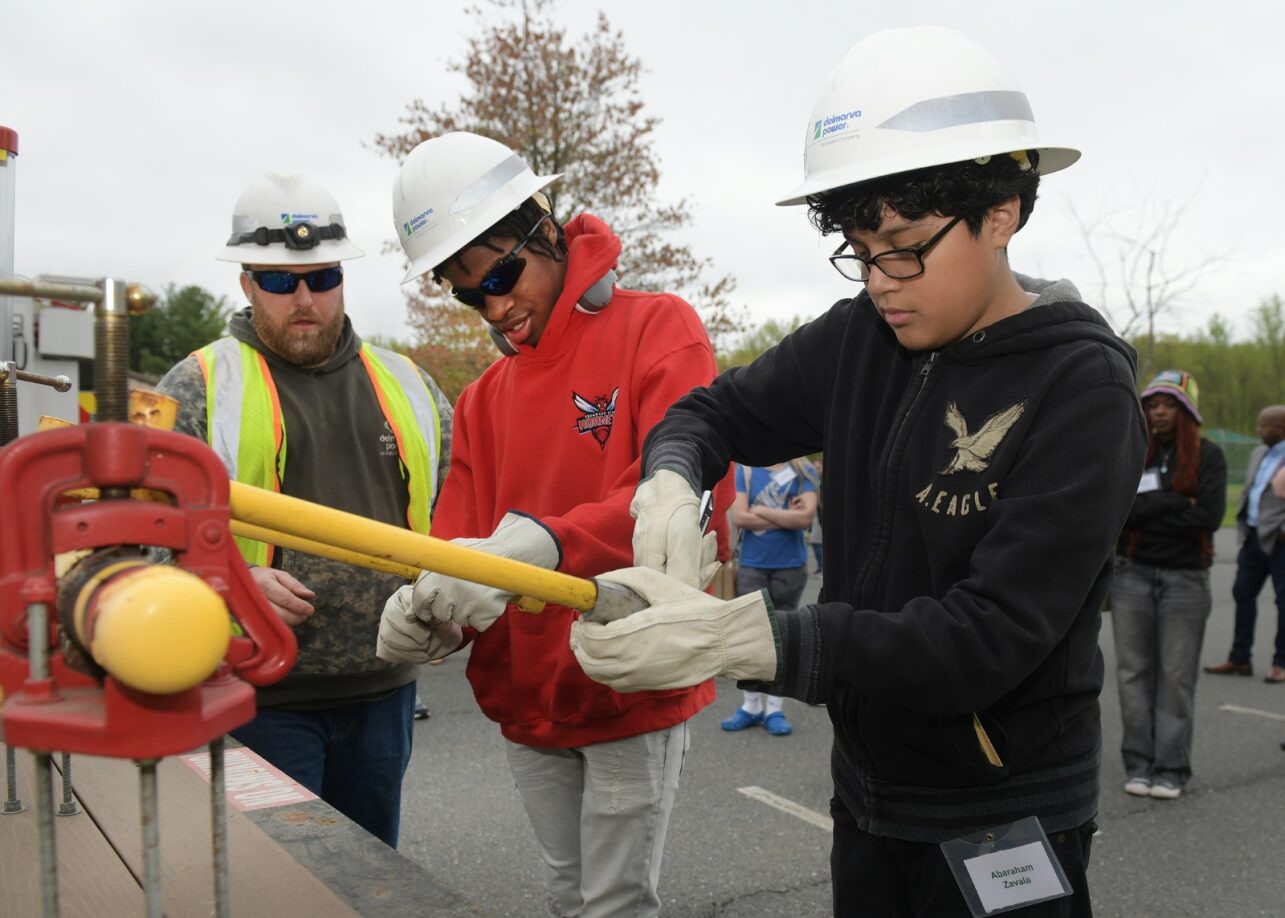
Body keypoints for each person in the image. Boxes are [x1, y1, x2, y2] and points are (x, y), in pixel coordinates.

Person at [569, 26, 1146, 917]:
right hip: (868, 790)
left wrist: (754, 639)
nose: (880, 280)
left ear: (1002, 213)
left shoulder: (1080, 385)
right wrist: (671, 482)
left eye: (906, 246)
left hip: (1002, 807)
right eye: (858, 248)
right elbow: (707, 413)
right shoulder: (858, 339)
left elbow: (989, 637)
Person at [375, 132, 731, 917]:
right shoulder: (479, 402)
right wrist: (428, 606)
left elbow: (689, 491)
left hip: (625, 676)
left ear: (543, 224)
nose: (495, 307)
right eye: (469, 294)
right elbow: (456, 542)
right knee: (569, 898)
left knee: (613, 905)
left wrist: (544, 544)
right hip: (526, 692)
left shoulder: (658, 328)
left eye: (499, 275)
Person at [157, 173, 452, 848]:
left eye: (321, 278)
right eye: (278, 280)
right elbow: (139, 536)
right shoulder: (197, 384)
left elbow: (460, 513)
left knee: (370, 877)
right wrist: (228, 577)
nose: (303, 298)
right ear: (245, 284)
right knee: (279, 883)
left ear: (342, 279)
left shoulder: (409, 385)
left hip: (385, 695)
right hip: (256, 698)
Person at [1112, 371, 1226, 800]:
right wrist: (1178, 501)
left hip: (1185, 580)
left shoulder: (1208, 456)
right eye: (1152, 404)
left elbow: (1209, 517)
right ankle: (1139, 765)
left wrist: (1148, 509)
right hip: (1132, 574)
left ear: (1187, 410)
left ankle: (1171, 767)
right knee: (1132, 674)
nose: (1158, 411)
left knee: (1175, 676)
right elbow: (1121, 512)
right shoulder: (1133, 452)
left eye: (1169, 404)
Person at [721, 461, 817, 737]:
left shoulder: (803, 470)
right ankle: (751, 706)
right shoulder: (747, 470)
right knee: (750, 635)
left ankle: (775, 708)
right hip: (752, 564)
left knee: (784, 637)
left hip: (790, 566)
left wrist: (761, 511)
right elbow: (740, 517)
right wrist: (785, 515)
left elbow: (805, 518)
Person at [1205, 404, 1285, 684]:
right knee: (1242, 593)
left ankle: (1281, 663)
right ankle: (1240, 659)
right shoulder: (1258, 453)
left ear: (1281, 427)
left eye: (1265, 425)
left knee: (1283, 601)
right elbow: (1250, 490)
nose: (1259, 430)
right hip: (1252, 538)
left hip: (1280, 540)